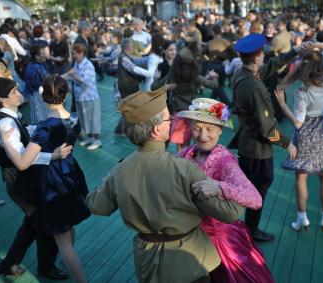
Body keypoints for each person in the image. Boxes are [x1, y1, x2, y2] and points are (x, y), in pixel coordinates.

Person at [86, 86, 243, 283]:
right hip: (190, 264)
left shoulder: (119, 171)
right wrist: (225, 185)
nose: (172, 123)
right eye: (169, 119)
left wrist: (107, 180)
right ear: (156, 129)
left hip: (148, 265)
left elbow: (95, 205)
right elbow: (230, 213)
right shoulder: (184, 170)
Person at [0, 75, 90, 283]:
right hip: (71, 173)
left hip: (53, 179)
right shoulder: (75, 117)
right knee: (69, 226)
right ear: (65, 95)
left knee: (62, 238)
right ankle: (68, 259)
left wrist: (8, 143)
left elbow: (23, 163)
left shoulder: (45, 127)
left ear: (44, 98)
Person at [177, 98, 275, 283]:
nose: (202, 135)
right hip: (189, 235)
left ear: (220, 131)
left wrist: (219, 186)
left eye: (209, 129)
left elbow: (255, 198)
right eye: (197, 128)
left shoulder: (224, 161)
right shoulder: (186, 153)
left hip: (219, 241)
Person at [229, 34, 312, 242]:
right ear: (257, 56)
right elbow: (267, 129)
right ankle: (251, 230)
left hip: (248, 143)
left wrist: (295, 51)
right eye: (262, 53)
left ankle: (246, 227)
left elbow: (271, 66)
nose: (264, 56)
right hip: (257, 149)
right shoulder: (254, 86)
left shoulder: (243, 73)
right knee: (258, 189)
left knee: (250, 187)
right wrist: (288, 144)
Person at [0, 77, 69, 280]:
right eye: (13, 91)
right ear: (3, 99)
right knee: (42, 220)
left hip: (21, 179)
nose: (19, 92)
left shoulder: (9, 117)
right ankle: (45, 266)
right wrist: (53, 155)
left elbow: (24, 136)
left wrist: (37, 131)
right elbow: (23, 157)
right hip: (19, 181)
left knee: (33, 223)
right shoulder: (5, 123)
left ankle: (10, 264)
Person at [275, 42, 323, 233]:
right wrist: (318, 45)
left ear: (304, 70)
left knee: (301, 177)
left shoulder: (302, 92)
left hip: (306, 134)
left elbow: (298, 123)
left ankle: (302, 219)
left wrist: (282, 105)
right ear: (322, 65)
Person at [151, 47, 219, 152]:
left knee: (181, 146)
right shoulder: (194, 76)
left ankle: (182, 162)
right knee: (192, 144)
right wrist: (213, 76)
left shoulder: (173, 75)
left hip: (179, 113)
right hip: (192, 113)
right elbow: (213, 85)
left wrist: (157, 78)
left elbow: (154, 87)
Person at [63, 44, 101, 150]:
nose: (73, 56)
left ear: (82, 53)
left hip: (89, 97)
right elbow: (72, 75)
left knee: (92, 119)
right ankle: (90, 138)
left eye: (75, 54)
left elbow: (85, 82)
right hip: (80, 97)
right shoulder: (77, 63)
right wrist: (63, 77)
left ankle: (97, 140)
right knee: (84, 119)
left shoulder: (88, 65)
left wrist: (73, 75)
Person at [25, 45, 50, 124]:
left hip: (35, 95)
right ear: (36, 56)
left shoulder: (32, 65)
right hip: (39, 95)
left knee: (38, 118)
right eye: (42, 53)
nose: (45, 55)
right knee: (43, 118)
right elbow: (48, 80)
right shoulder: (36, 67)